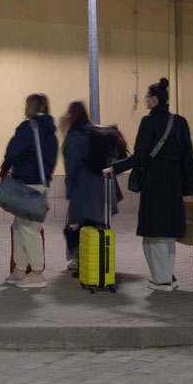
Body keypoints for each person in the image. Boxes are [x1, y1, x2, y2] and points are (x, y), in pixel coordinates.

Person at [110, 77, 193, 291]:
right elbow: (189, 157)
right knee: (168, 233)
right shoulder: (180, 122)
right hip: (174, 185)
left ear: (155, 99)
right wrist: (190, 187)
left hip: (154, 184)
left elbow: (139, 157)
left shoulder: (148, 122)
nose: (145, 101)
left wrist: (113, 168)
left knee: (153, 234)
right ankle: (167, 275)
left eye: (147, 98)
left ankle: (162, 281)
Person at [0, 93, 58, 288]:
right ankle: (20, 270)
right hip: (41, 183)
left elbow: (13, 151)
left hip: (27, 183)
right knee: (20, 226)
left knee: (28, 229)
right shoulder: (50, 132)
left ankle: (38, 273)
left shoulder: (29, 127)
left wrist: (7, 164)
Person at [59, 101, 122, 274]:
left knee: (81, 227)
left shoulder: (75, 136)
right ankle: (102, 262)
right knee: (100, 227)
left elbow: (72, 166)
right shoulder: (96, 132)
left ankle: (84, 264)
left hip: (84, 189)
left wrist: (69, 190)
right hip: (103, 189)